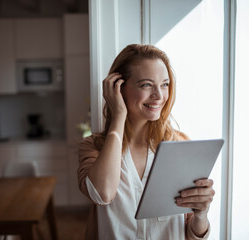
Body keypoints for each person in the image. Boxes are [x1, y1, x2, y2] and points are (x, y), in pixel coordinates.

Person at [78, 44, 215, 240]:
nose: (159, 96)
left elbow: (193, 234)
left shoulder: (180, 145)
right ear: (118, 88)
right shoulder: (94, 147)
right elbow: (102, 194)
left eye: (165, 84)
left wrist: (201, 213)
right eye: (146, 85)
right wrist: (119, 116)